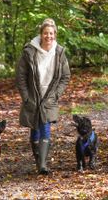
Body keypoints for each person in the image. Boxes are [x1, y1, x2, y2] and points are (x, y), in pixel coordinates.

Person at [16, 18, 70, 175]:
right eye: (46, 33)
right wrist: (26, 97)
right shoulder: (29, 52)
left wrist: (56, 95)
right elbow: (20, 77)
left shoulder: (59, 53)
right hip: (33, 95)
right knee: (35, 127)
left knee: (45, 126)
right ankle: (38, 159)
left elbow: (65, 76)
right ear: (41, 35)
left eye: (51, 33)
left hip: (49, 96)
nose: (49, 36)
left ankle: (43, 164)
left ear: (55, 35)